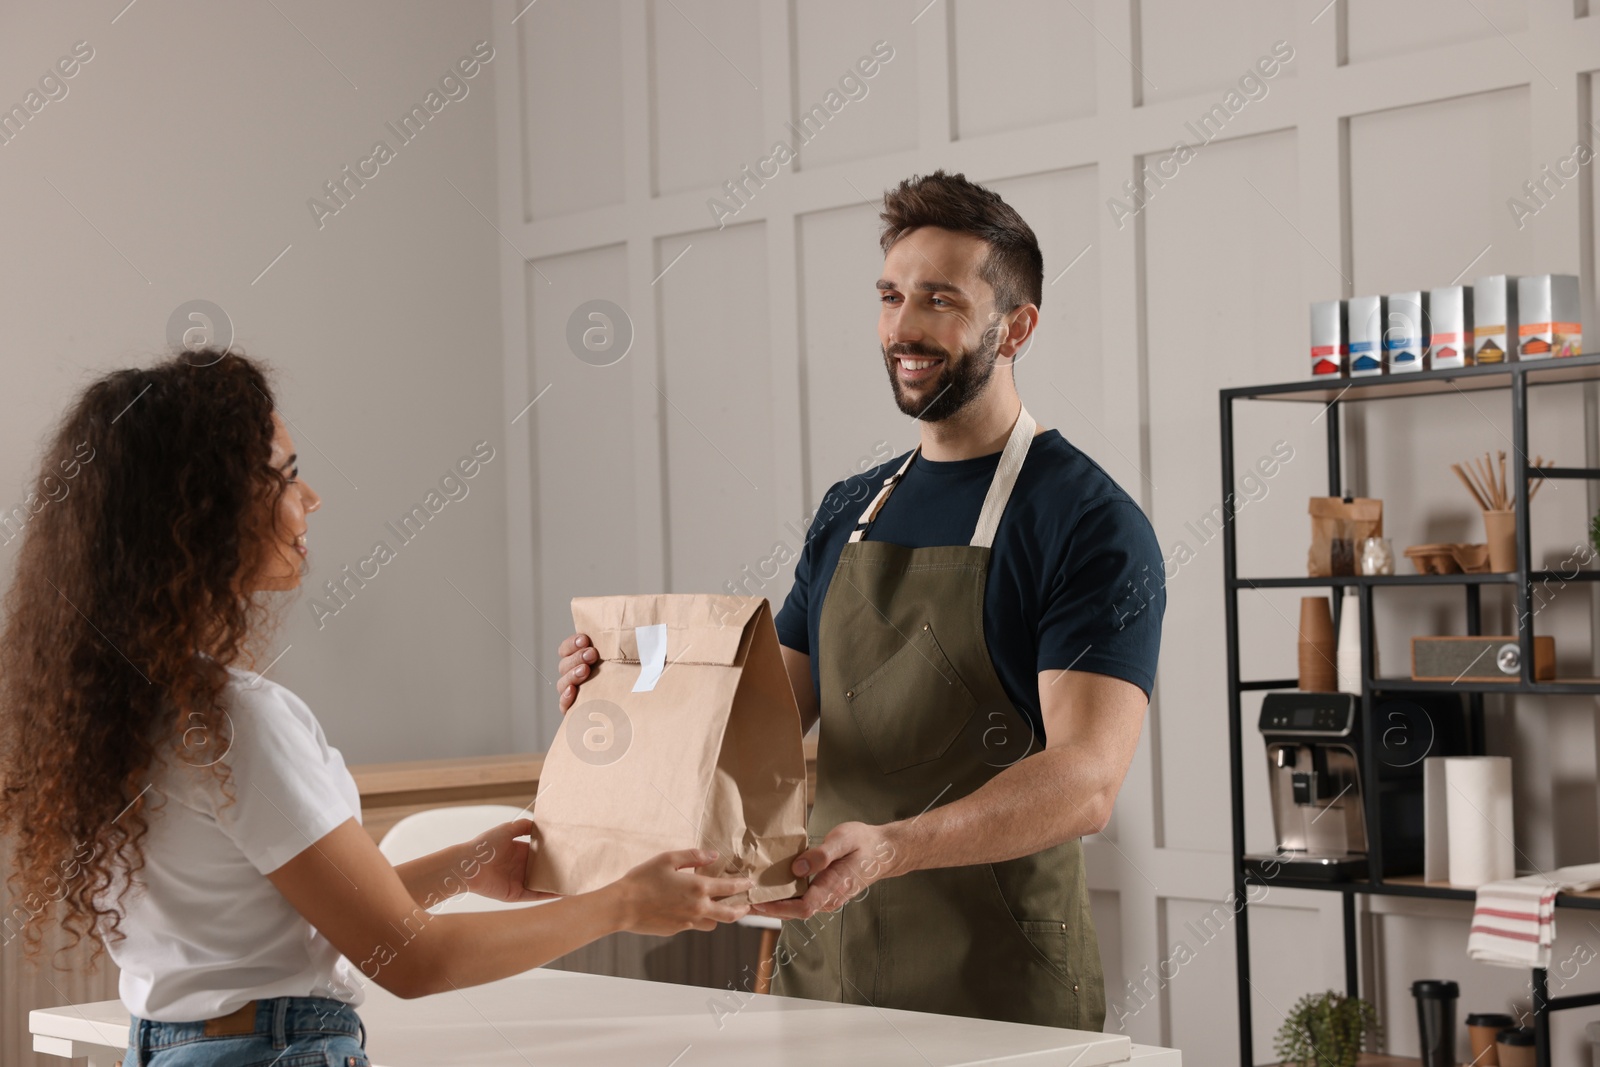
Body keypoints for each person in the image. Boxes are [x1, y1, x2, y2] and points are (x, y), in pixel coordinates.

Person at [0, 352, 751, 1067]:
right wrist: (621, 904)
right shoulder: (239, 724)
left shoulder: (116, 715)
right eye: (287, 475)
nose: (311, 497)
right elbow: (413, 960)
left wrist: (462, 866)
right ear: (206, 511)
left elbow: (265, 915)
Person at [557, 169, 1164, 1032]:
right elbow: (763, 720)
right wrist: (622, 699)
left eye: (941, 300)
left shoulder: (1086, 522)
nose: (904, 328)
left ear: (1016, 326)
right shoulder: (851, 511)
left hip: (995, 991)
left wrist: (894, 846)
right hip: (827, 970)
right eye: (890, 295)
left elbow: (1086, 780)